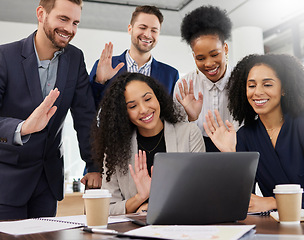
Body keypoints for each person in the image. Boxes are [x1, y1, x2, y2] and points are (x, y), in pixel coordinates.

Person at [0, 0, 102, 220]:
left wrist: (93, 165)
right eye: (63, 19)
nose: (70, 29)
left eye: (75, 22)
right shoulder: (4, 57)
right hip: (7, 183)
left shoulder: (75, 58)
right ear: (41, 13)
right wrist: (23, 127)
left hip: (48, 183)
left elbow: (85, 116)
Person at [91, 72, 205, 215]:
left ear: (157, 97)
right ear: (123, 113)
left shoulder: (188, 134)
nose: (144, 110)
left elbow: (200, 193)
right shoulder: (115, 147)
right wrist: (140, 198)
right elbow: (107, 208)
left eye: (148, 99)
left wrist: (151, 208)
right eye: (132, 106)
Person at [203, 54, 304, 212]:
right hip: (275, 227)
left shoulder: (300, 124)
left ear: (284, 88)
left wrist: (274, 202)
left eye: (267, 85)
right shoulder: (245, 136)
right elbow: (243, 199)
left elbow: (265, 203)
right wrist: (231, 154)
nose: (257, 92)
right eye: (251, 86)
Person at [173, 5, 238, 152]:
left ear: (225, 49)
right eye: (200, 58)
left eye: (215, 54)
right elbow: (177, 135)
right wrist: (191, 118)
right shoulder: (184, 86)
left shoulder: (241, 82)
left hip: (236, 148)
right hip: (197, 151)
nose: (209, 64)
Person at [89, 5, 179, 108]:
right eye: (142, 27)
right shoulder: (106, 66)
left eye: (154, 30)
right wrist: (99, 82)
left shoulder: (170, 75)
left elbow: (172, 117)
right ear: (130, 29)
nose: (148, 35)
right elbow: (87, 108)